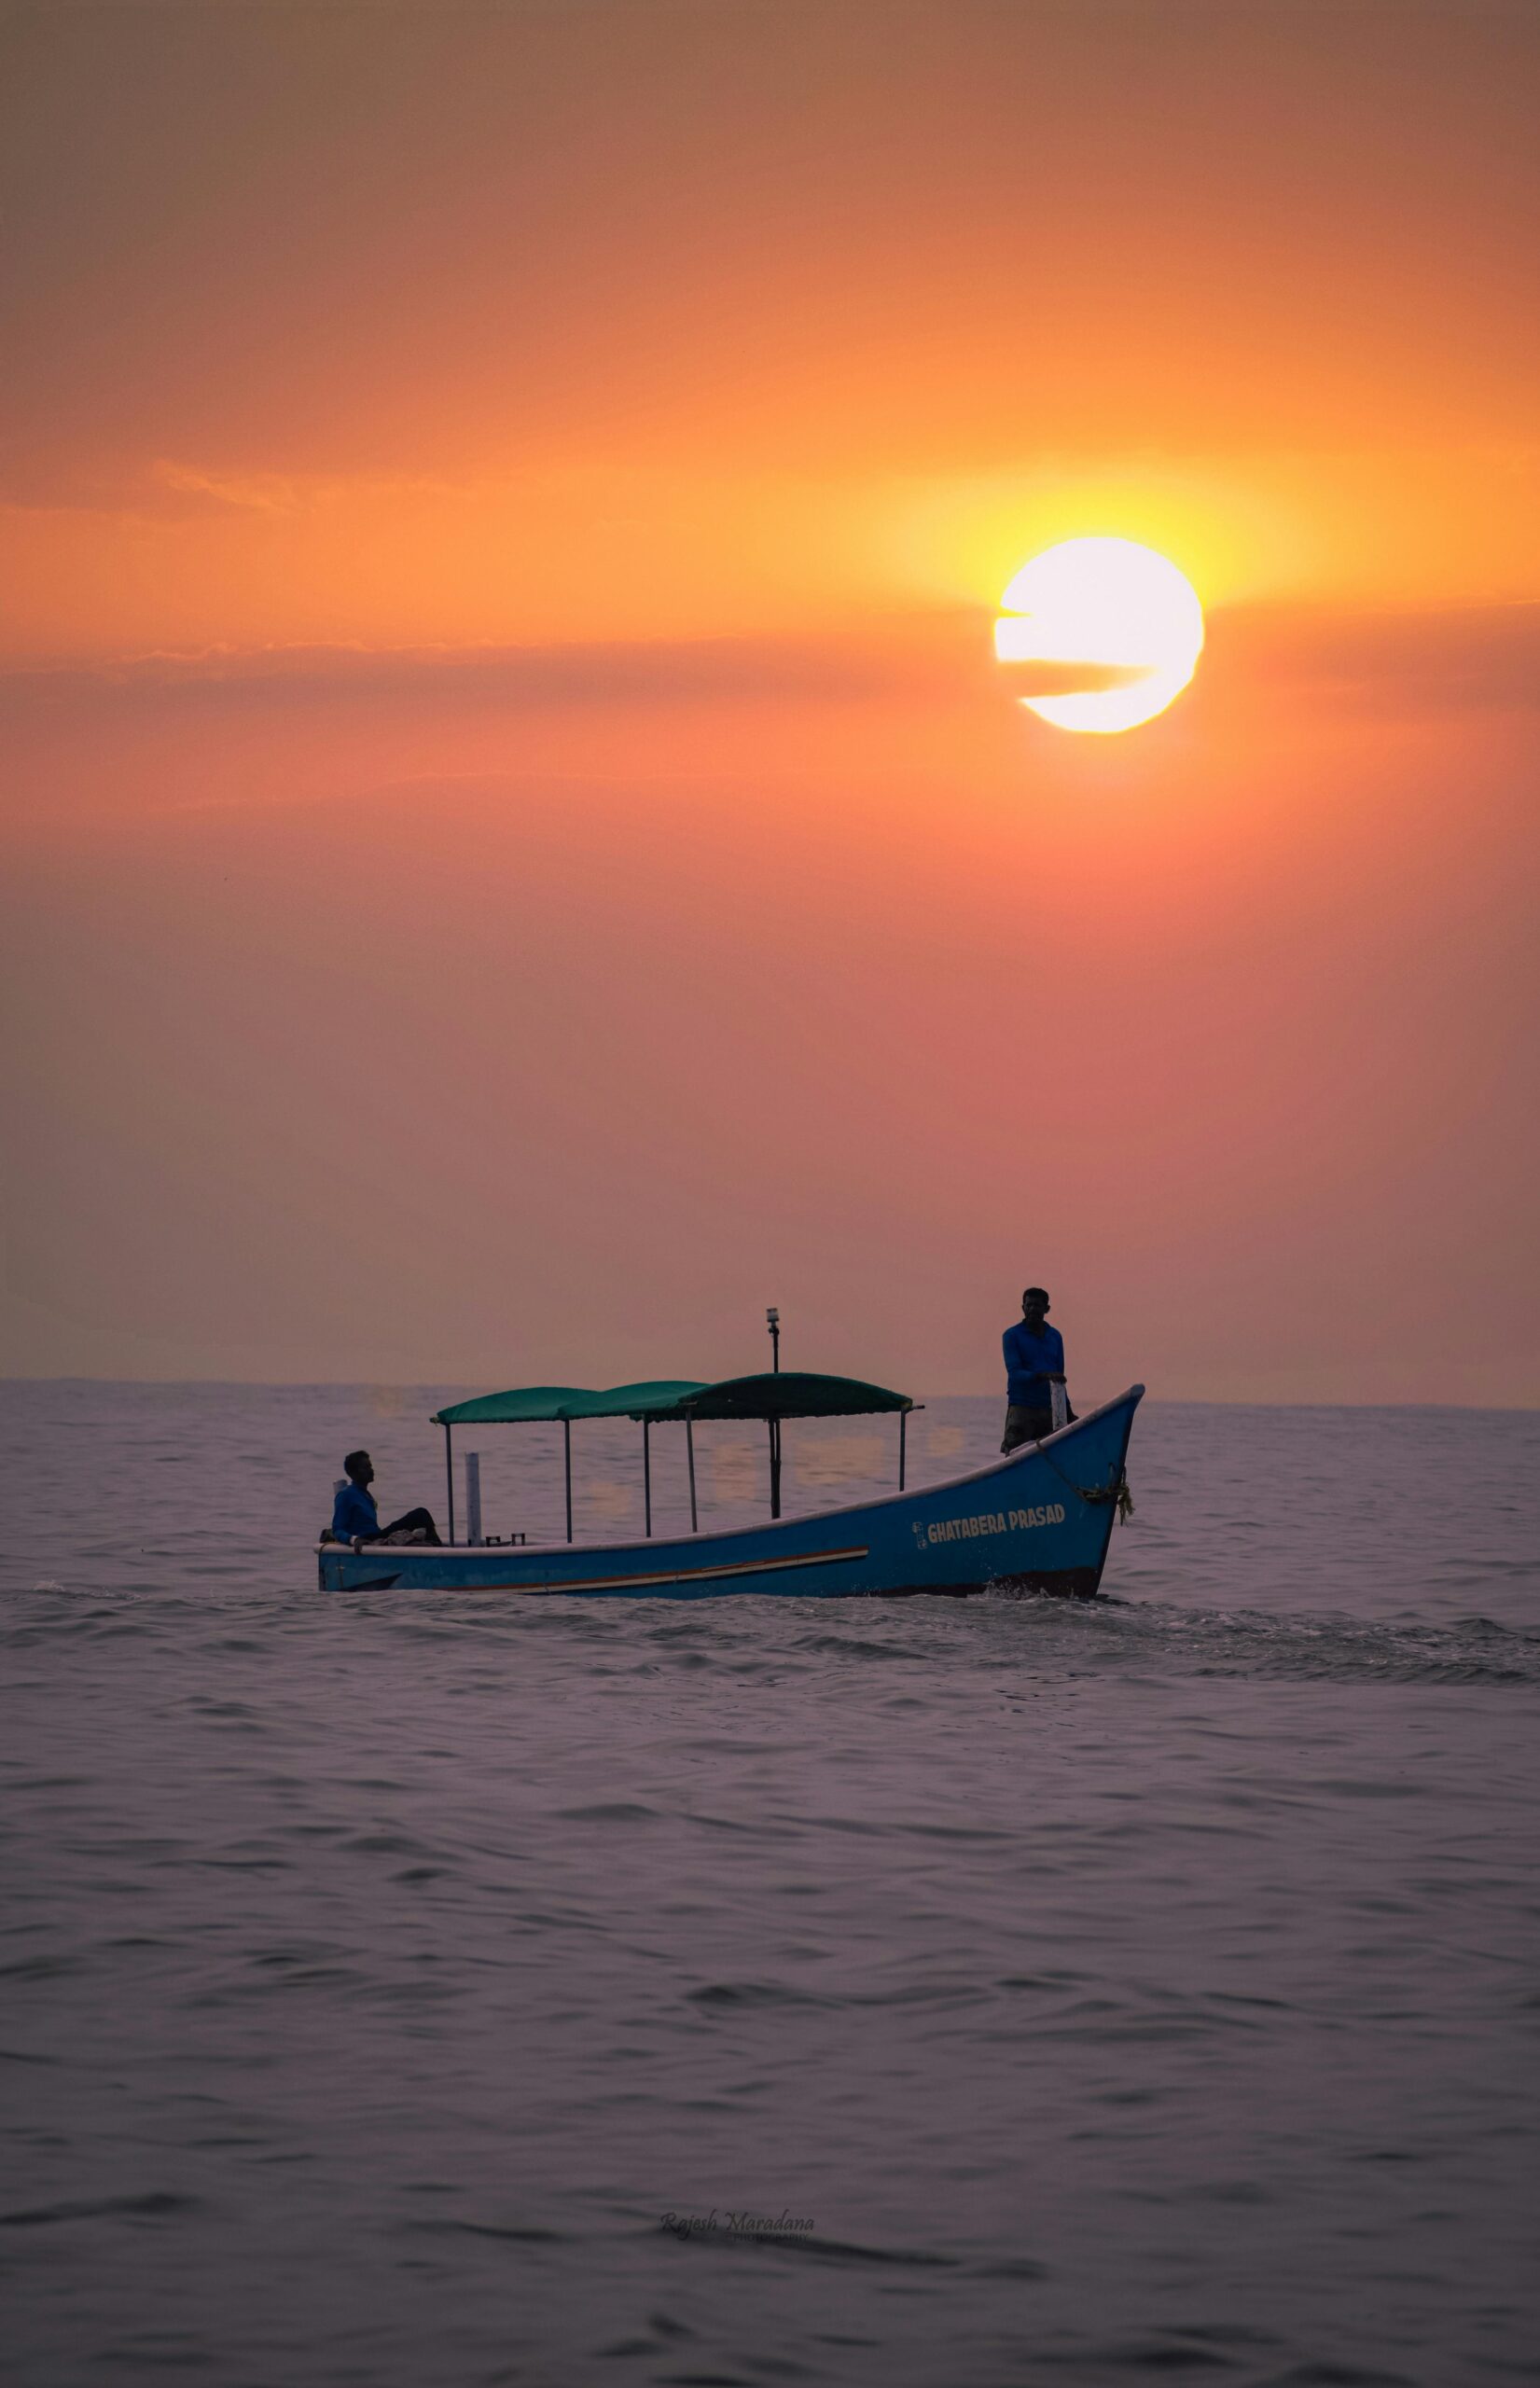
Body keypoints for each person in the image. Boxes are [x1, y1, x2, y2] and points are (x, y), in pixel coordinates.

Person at [1001, 1287, 1073, 1452]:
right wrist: (1041, 1375)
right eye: (1029, 1305)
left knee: (1053, 1456)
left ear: (1046, 1309)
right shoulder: (1012, 1335)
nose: (1032, 1309)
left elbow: (1060, 1378)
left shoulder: (1055, 1336)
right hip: (1022, 1408)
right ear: (1023, 1308)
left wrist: (1068, 1411)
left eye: (1037, 1305)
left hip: (1050, 1410)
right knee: (1015, 1456)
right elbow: (1014, 1372)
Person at [327, 1450, 441, 1547]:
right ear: (353, 1473)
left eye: (370, 1466)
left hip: (376, 1535)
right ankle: (439, 1548)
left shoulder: (365, 1495)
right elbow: (337, 1529)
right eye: (365, 1467)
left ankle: (436, 1546)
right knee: (420, 1514)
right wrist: (354, 1539)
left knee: (420, 1521)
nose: (371, 1470)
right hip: (367, 1538)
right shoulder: (346, 1495)